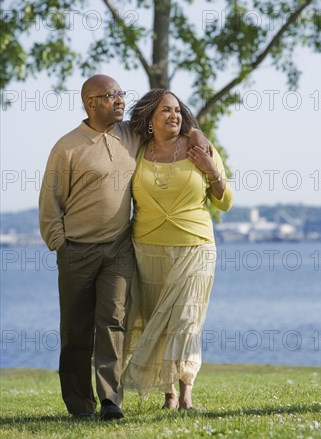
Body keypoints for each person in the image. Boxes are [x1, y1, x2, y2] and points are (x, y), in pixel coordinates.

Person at [39, 75, 209, 420]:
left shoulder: (131, 135)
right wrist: (60, 243)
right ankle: (79, 404)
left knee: (114, 323)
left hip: (118, 248)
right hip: (76, 250)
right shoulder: (67, 147)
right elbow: (49, 201)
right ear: (91, 102)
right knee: (76, 330)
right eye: (111, 95)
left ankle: (111, 401)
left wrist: (196, 133)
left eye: (121, 94)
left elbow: (171, 124)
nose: (120, 100)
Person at [122, 89, 233, 410]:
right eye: (165, 111)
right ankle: (168, 394)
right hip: (147, 248)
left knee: (186, 321)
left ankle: (186, 395)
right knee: (158, 321)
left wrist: (212, 170)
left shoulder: (200, 145)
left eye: (177, 111)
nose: (174, 116)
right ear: (149, 120)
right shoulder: (139, 149)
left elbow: (225, 202)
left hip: (195, 246)